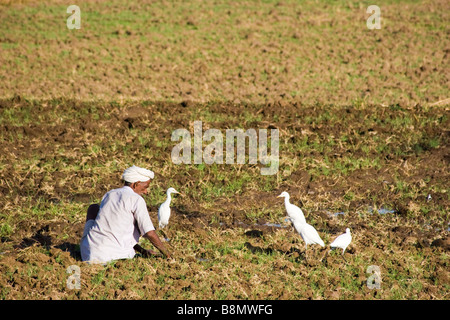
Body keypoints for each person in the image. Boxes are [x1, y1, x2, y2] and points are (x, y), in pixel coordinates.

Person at [80, 165, 171, 264]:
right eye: (145, 187)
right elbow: (149, 233)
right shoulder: (136, 199)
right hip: (113, 256)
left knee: (93, 208)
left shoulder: (110, 194)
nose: (146, 192)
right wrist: (167, 255)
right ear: (135, 184)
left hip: (87, 253)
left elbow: (118, 232)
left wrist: (143, 251)